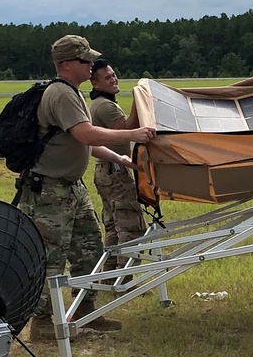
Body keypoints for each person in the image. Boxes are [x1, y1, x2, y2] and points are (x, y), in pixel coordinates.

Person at [17, 35, 155, 341]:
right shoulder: (61, 94)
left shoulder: (73, 93)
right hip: (49, 193)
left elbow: (83, 144)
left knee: (90, 247)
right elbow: (86, 134)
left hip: (72, 189)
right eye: (85, 61)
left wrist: (118, 156)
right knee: (50, 258)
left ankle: (85, 311)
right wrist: (135, 134)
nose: (91, 66)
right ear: (67, 64)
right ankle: (42, 324)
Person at [89, 58, 148, 264]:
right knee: (131, 226)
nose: (113, 79)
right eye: (107, 78)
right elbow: (126, 130)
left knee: (114, 227)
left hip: (105, 170)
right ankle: (124, 280)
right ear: (95, 84)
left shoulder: (99, 103)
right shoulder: (105, 106)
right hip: (115, 170)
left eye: (113, 75)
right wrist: (138, 100)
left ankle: (110, 276)